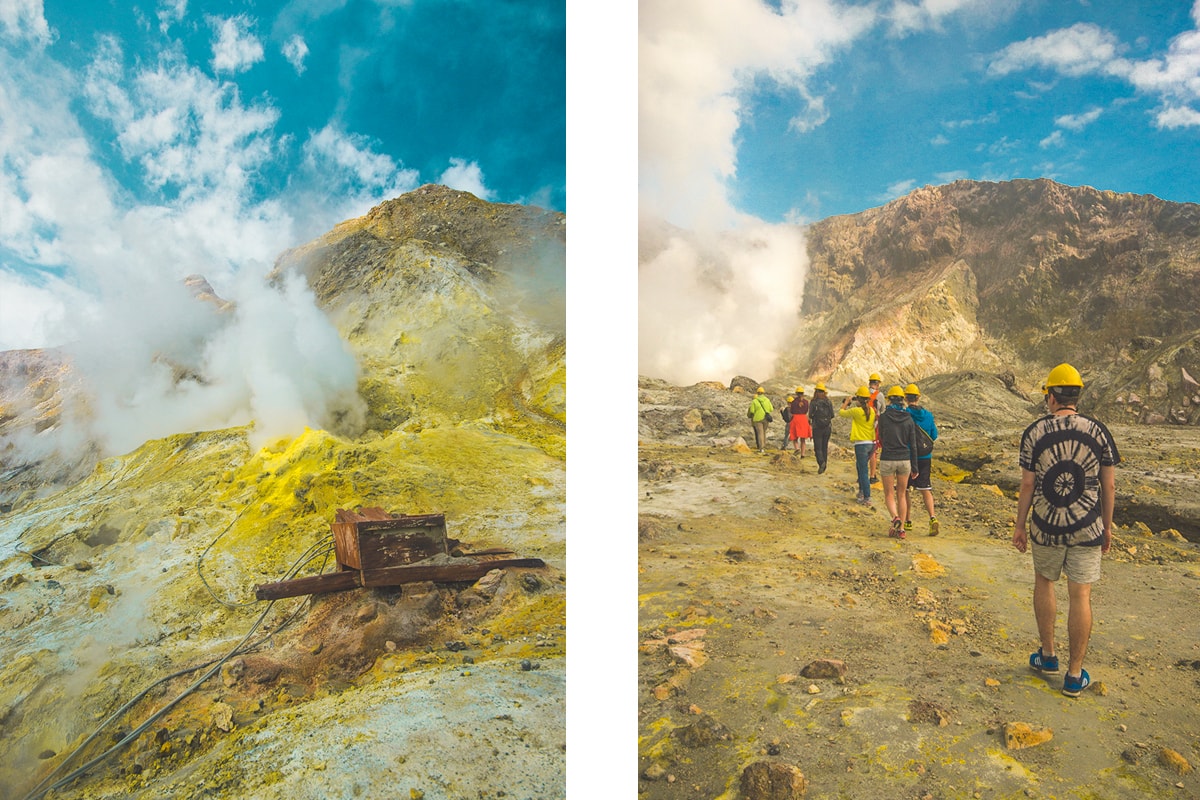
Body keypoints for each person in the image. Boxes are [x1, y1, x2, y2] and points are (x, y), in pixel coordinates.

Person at [1012, 363, 1120, 698]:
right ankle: (1074, 675)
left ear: (1052, 395)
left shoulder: (1034, 433)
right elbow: (1110, 485)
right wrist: (1107, 527)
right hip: (1088, 526)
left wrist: (1019, 525)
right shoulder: (1099, 431)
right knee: (1081, 595)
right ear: (1077, 394)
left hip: (1046, 524)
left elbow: (1028, 484)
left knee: (1044, 583)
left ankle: (1047, 657)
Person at [877, 386, 919, 538]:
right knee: (901, 494)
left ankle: (895, 517)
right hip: (905, 460)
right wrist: (915, 466)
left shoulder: (883, 417)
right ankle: (901, 530)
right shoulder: (908, 418)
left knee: (889, 494)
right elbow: (912, 444)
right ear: (903, 399)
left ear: (889, 399)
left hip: (888, 458)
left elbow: (881, 436)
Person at [903, 383, 940, 536]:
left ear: (905, 398)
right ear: (918, 397)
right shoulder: (929, 415)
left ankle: (907, 521)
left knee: (904, 490)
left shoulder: (905, 415)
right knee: (926, 490)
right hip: (925, 457)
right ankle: (932, 518)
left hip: (909, 456)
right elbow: (934, 435)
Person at [839, 386, 876, 506]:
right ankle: (861, 492)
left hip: (861, 444)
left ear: (859, 399)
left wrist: (846, 402)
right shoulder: (872, 411)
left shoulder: (857, 411)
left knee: (863, 471)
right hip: (871, 443)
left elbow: (841, 412)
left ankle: (867, 497)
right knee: (860, 468)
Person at [808, 383, 834, 474]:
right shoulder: (828, 402)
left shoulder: (813, 402)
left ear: (816, 391)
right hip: (827, 427)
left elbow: (810, 415)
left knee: (817, 448)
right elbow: (832, 415)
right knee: (824, 447)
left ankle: (821, 463)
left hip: (817, 427)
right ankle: (824, 465)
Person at [867, 373, 885, 484]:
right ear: (877, 384)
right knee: (873, 451)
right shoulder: (879, 396)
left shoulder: (863, 393)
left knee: (862, 450)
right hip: (874, 426)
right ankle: (872, 476)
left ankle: (862, 474)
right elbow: (883, 410)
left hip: (862, 426)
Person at [747, 386, 774, 454]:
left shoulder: (754, 401)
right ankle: (764, 446)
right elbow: (771, 409)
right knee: (764, 432)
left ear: (757, 393)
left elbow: (752, 411)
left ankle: (761, 448)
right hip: (766, 418)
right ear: (763, 392)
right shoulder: (767, 400)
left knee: (760, 433)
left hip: (757, 419)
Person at [787, 387, 812, 456]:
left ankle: (797, 448)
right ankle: (803, 454)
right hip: (804, 419)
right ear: (803, 393)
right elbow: (807, 410)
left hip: (795, 419)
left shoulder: (793, 402)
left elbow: (791, 411)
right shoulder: (806, 402)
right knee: (803, 438)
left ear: (796, 393)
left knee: (794, 436)